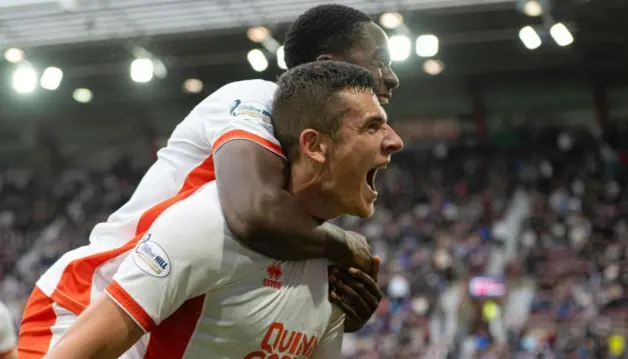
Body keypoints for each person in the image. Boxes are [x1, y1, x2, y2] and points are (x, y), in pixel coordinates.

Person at [18, 4, 399, 356]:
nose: (392, 77)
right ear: (327, 64)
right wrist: (349, 247)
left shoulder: (309, 208)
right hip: (86, 301)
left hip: (162, 315)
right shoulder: (256, 98)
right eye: (380, 61)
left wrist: (322, 315)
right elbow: (251, 215)